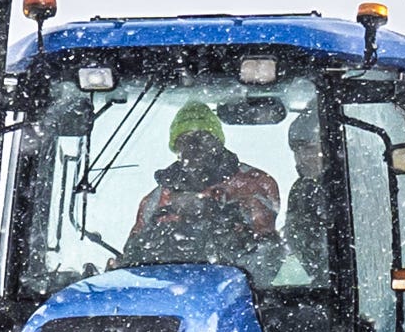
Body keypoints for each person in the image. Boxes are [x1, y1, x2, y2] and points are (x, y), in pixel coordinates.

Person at [121, 98, 284, 268]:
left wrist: (219, 216)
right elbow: (134, 253)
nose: (194, 148)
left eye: (202, 139)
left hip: (236, 287)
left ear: (217, 143)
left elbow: (266, 254)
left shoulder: (252, 183)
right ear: (176, 148)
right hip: (169, 288)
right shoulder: (156, 199)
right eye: (185, 141)